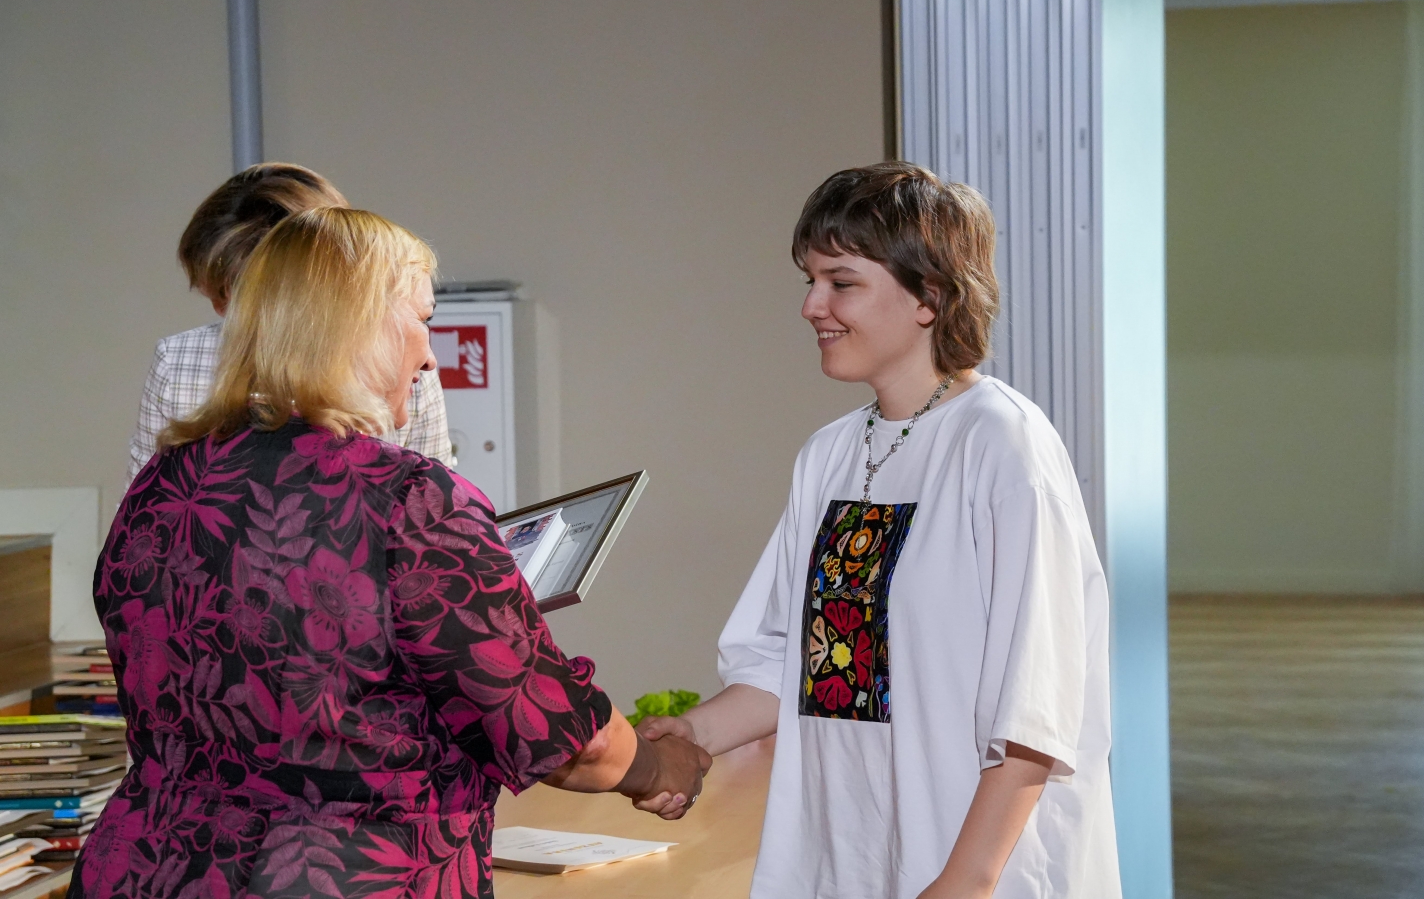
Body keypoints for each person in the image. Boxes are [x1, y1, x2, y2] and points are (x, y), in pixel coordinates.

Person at [73, 207, 709, 899]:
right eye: (422, 319)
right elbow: (552, 731)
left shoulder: (160, 484)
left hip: (145, 872)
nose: (430, 356)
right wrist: (660, 768)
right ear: (361, 324)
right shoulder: (409, 499)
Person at [640, 163, 1120, 899]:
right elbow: (803, 664)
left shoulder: (1002, 444)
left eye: (841, 282)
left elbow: (1038, 704)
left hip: (975, 869)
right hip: (845, 861)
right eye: (809, 280)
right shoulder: (830, 453)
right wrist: (693, 738)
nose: (812, 306)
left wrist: (964, 881)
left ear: (931, 295)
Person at [127, 163, 452, 482]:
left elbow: (436, 497)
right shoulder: (177, 362)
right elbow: (145, 503)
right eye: (229, 294)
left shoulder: (407, 364)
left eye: (270, 293)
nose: (253, 316)